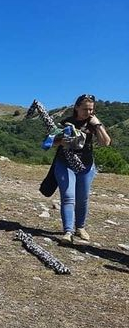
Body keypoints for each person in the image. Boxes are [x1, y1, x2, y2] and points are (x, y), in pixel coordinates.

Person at [54, 94, 111, 244]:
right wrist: (61, 141)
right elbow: (50, 143)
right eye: (85, 109)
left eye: (91, 109)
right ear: (77, 108)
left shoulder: (93, 123)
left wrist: (97, 124)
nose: (89, 112)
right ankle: (68, 231)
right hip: (65, 163)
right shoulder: (66, 122)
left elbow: (106, 142)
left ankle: (80, 227)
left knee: (83, 197)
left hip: (86, 165)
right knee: (68, 196)